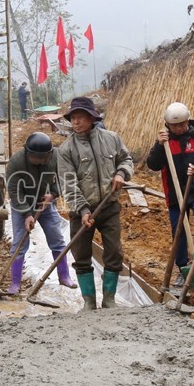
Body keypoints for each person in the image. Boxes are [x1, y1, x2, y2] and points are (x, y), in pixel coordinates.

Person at [56, 97, 134, 310]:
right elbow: (68, 184)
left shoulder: (112, 139)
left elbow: (126, 159)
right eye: (73, 118)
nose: (76, 122)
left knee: (114, 252)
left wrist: (121, 173)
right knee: (81, 255)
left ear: (92, 118)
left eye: (80, 117)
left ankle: (109, 299)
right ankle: (89, 302)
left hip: (109, 206)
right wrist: (83, 210)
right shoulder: (66, 150)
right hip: (81, 211)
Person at [145, 102, 194, 286]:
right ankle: (183, 266)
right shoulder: (165, 143)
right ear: (167, 125)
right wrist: (159, 145)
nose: (178, 128)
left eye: (181, 124)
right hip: (175, 193)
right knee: (178, 230)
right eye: (174, 125)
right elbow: (153, 165)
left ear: (188, 121)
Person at [5, 132, 75, 294]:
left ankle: (64, 276)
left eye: (44, 158)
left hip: (45, 204)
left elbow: (64, 178)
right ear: (28, 153)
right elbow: (14, 191)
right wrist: (27, 214)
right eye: (37, 158)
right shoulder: (16, 162)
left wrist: (53, 194)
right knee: (20, 243)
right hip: (22, 206)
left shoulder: (57, 157)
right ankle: (15, 284)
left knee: (57, 239)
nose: (42, 161)